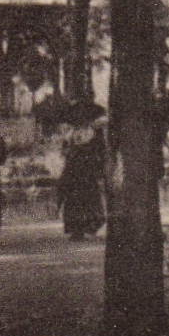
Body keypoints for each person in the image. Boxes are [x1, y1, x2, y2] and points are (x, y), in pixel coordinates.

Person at [57, 102, 108, 240]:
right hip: (74, 169)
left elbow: (100, 150)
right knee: (74, 199)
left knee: (88, 197)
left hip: (88, 169)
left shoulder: (93, 132)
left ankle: (88, 226)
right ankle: (76, 229)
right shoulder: (71, 133)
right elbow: (64, 151)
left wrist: (99, 165)